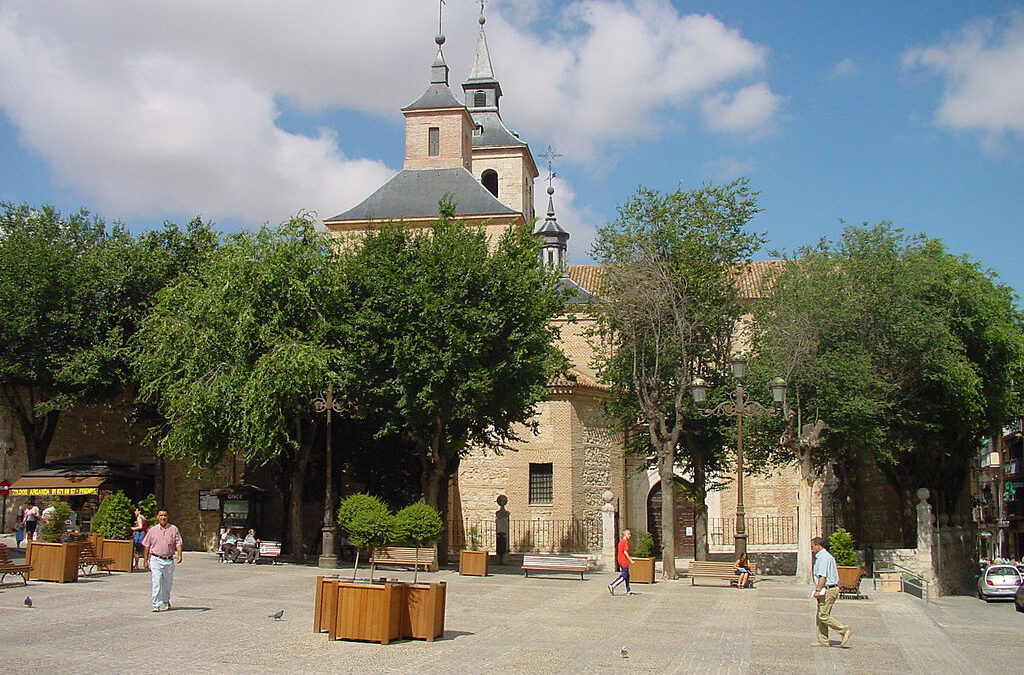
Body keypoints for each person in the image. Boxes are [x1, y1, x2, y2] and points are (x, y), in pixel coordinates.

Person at [811, 537, 851, 647]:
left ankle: (843, 630)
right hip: (830, 588)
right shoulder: (827, 556)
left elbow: (822, 576)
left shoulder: (823, 558)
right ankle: (823, 640)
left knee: (823, 615)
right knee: (821, 614)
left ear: (818, 546)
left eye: (813, 546)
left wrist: (818, 590)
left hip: (827, 589)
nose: (812, 549)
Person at [141, 509, 183, 612]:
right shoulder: (152, 530)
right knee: (157, 581)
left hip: (168, 560)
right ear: (157, 517)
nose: (163, 518)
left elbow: (178, 543)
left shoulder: (173, 529)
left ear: (167, 517)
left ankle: (165, 600)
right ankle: (156, 604)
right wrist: (145, 560)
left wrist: (179, 555)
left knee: (167, 583)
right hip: (156, 559)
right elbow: (147, 545)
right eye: (161, 515)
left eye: (164, 515)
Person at [608, 529, 636, 596]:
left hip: (620, 559)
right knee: (624, 575)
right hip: (623, 560)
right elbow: (625, 552)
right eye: (628, 534)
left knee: (627, 576)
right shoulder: (625, 542)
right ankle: (612, 585)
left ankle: (628, 590)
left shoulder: (621, 542)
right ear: (624, 534)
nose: (630, 535)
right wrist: (631, 560)